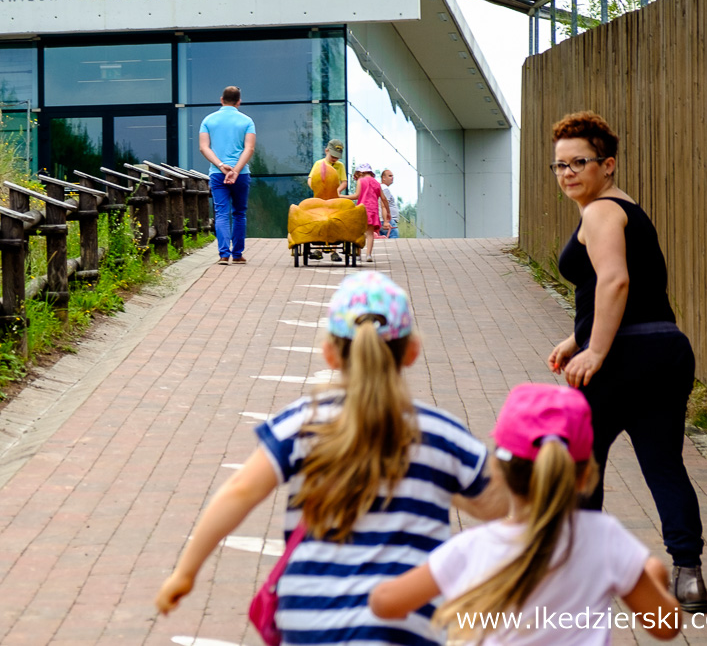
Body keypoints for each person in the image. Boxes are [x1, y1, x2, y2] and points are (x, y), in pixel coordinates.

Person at [155, 272, 506, 645]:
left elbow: (240, 491)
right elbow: (498, 505)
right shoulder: (442, 435)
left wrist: (186, 572)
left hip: (310, 620)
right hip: (407, 624)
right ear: (412, 351)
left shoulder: (302, 425)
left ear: (329, 354)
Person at [371, 383, 681, 644]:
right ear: (585, 474)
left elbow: (385, 603)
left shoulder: (473, 548)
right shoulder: (605, 538)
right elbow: (666, 626)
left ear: (498, 470)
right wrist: (652, 574)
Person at [544, 111, 706, 612]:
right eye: (559, 165)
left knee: (581, 465)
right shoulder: (626, 209)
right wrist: (577, 339)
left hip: (621, 360)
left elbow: (616, 281)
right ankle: (689, 576)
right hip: (664, 349)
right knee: (663, 465)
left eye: (579, 162)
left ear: (607, 164)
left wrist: (594, 349)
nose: (568, 173)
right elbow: (618, 292)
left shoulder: (599, 213)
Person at [199, 85, 256, 265]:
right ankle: (237, 254)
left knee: (221, 213)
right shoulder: (247, 121)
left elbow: (204, 147)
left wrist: (221, 165)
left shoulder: (208, 120)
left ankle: (224, 254)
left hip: (217, 173)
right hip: (241, 174)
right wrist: (236, 170)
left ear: (221, 99)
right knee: (239, 213)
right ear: (239, 102)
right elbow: (250, 148)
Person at [308, 140, 349, 261]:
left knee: (335, 221)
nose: (334, 159)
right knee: (319, 221)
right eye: (333, 156)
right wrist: (317, 189)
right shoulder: (318, 164)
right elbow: (310, 179)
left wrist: (337, 191)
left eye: (337, 157)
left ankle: (334, 251)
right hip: (320, 198)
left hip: (334, 199)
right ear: (327, 151)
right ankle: (319, 249)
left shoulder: (340, 166)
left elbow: (344, 182)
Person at [352, 163, 390, 262]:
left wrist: (342, 196)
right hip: (373, 211)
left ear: (361, 172)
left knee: (359, 233)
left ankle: (358, 254)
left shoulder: (361, 181)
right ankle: (368, 255)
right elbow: (384, 199)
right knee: (370, 234)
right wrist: (388, 212)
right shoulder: (377, 183)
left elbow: (356, 196)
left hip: (361, 210)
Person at [380, 169, 400, 238]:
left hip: (383, 220)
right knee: (394, 238)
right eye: (390, 176)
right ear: (384, 178)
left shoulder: (381, 188)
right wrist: (386, 221)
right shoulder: (385, 189)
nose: (392, 178)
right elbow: (384, 205)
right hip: (388, 221)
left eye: (392, 176)